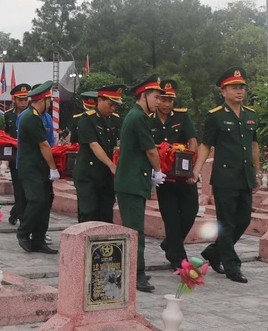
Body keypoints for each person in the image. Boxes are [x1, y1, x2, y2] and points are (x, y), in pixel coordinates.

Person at [189, 66, 259, 284]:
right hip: (225, 178)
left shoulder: (251, 115)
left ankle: (213, 252)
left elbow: (254, 144)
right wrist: (196, 171)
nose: (239, 91)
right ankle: (232, 266)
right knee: (227, 223)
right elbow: (205, 145)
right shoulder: (215, 117)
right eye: (234, 87)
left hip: (245, 177)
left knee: (243, 220)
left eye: (241, 87)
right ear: (223, 91)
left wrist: (256, 172)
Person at [115, 74, 164, 293]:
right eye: (155, 96)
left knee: (134, 229)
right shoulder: (139, 118)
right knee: (135, 231)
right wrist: (159, 170)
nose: (158, 101)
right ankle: (136, 273)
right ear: (143, 95)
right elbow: (151, 150)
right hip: (132, 182)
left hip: (132, 180)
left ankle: (134, 268)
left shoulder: (136, 116)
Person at [152, 79, 199, 269]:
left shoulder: (182, 116)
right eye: (163, 99)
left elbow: (192, 140)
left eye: (170, 100)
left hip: (183, 174)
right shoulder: (148, 119)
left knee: (190, 212)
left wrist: (191, 163)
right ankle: (178, 259)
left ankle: (170, 244)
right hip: (163, 177)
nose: (167, 104)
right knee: (170, 216)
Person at [16, 80, 59, 254]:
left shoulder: (35, 116)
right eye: (49, 101)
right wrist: (53, 167)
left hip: (39, 167)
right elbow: (43, 145)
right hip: (31, 166)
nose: (50, 104)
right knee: (36, 200)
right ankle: (24, 233)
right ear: (43, 100)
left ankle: (39, 239)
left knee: (46, 201)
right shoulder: (31, 118)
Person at [73, 85, 125, 224]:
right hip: (88, 175)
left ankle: (103, 245)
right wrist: (111, 165)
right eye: (110, 104)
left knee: (106, 214)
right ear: (100, 100)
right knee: (88, 212)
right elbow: (94, 145)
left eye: (116, 105)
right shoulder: (87, 119)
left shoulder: (115, 119)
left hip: (106, 176)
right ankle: (83, 245)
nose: (113, 108)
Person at [4, 83, 31, 225]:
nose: (23, 102)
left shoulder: (31, 114)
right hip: (14, 157)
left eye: (25, 99)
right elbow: (5, 134)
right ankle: (19, 212)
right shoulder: (8, 115)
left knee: (26, 188)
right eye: (20, 99)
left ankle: (17, 211)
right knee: (18, 186)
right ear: (14, 99)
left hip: (29, 155)